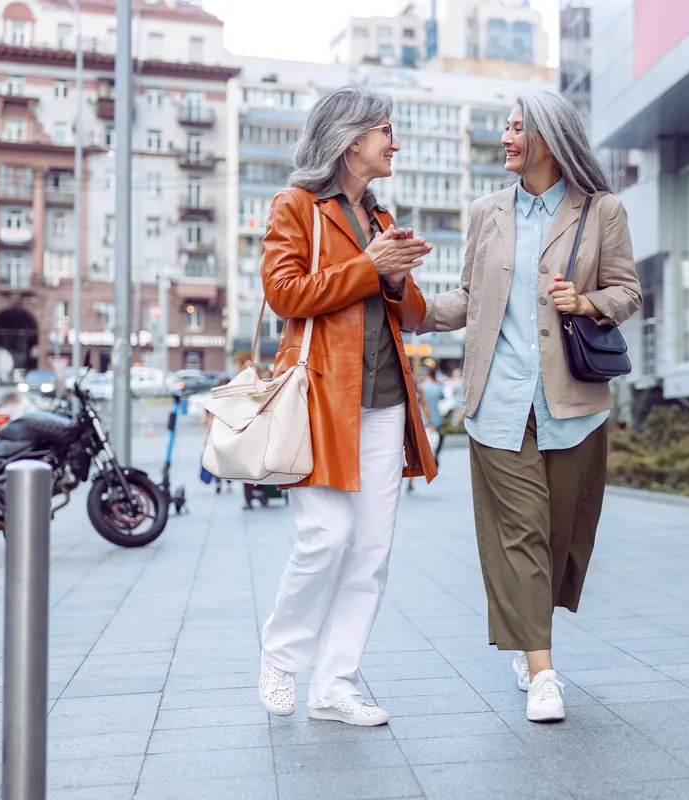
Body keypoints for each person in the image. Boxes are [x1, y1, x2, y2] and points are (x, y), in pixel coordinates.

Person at [418, 90, 641, 722]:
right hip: (499, 399)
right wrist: (410, 307)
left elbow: (627, 290)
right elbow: (467, 296)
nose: (506, 138)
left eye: (516, 128)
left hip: (572, 402)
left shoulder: (602, 211)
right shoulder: (486, 211)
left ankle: (528, 635)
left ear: (546, 137)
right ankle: (544, 672)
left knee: (559, 535)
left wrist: (589, 302)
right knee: (521, 533)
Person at [256, 86, 438, 727]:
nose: (396, 141)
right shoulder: (296, 207)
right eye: (386, 129)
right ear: (349, 137)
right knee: (326, 537)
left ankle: (335, 684)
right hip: (318, 400)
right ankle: (281, 655)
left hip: (385, 401)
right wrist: (369, 266)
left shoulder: (383, 221)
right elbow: (285, 293)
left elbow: (410, 314)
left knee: (371, 550)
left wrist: (393, 276)